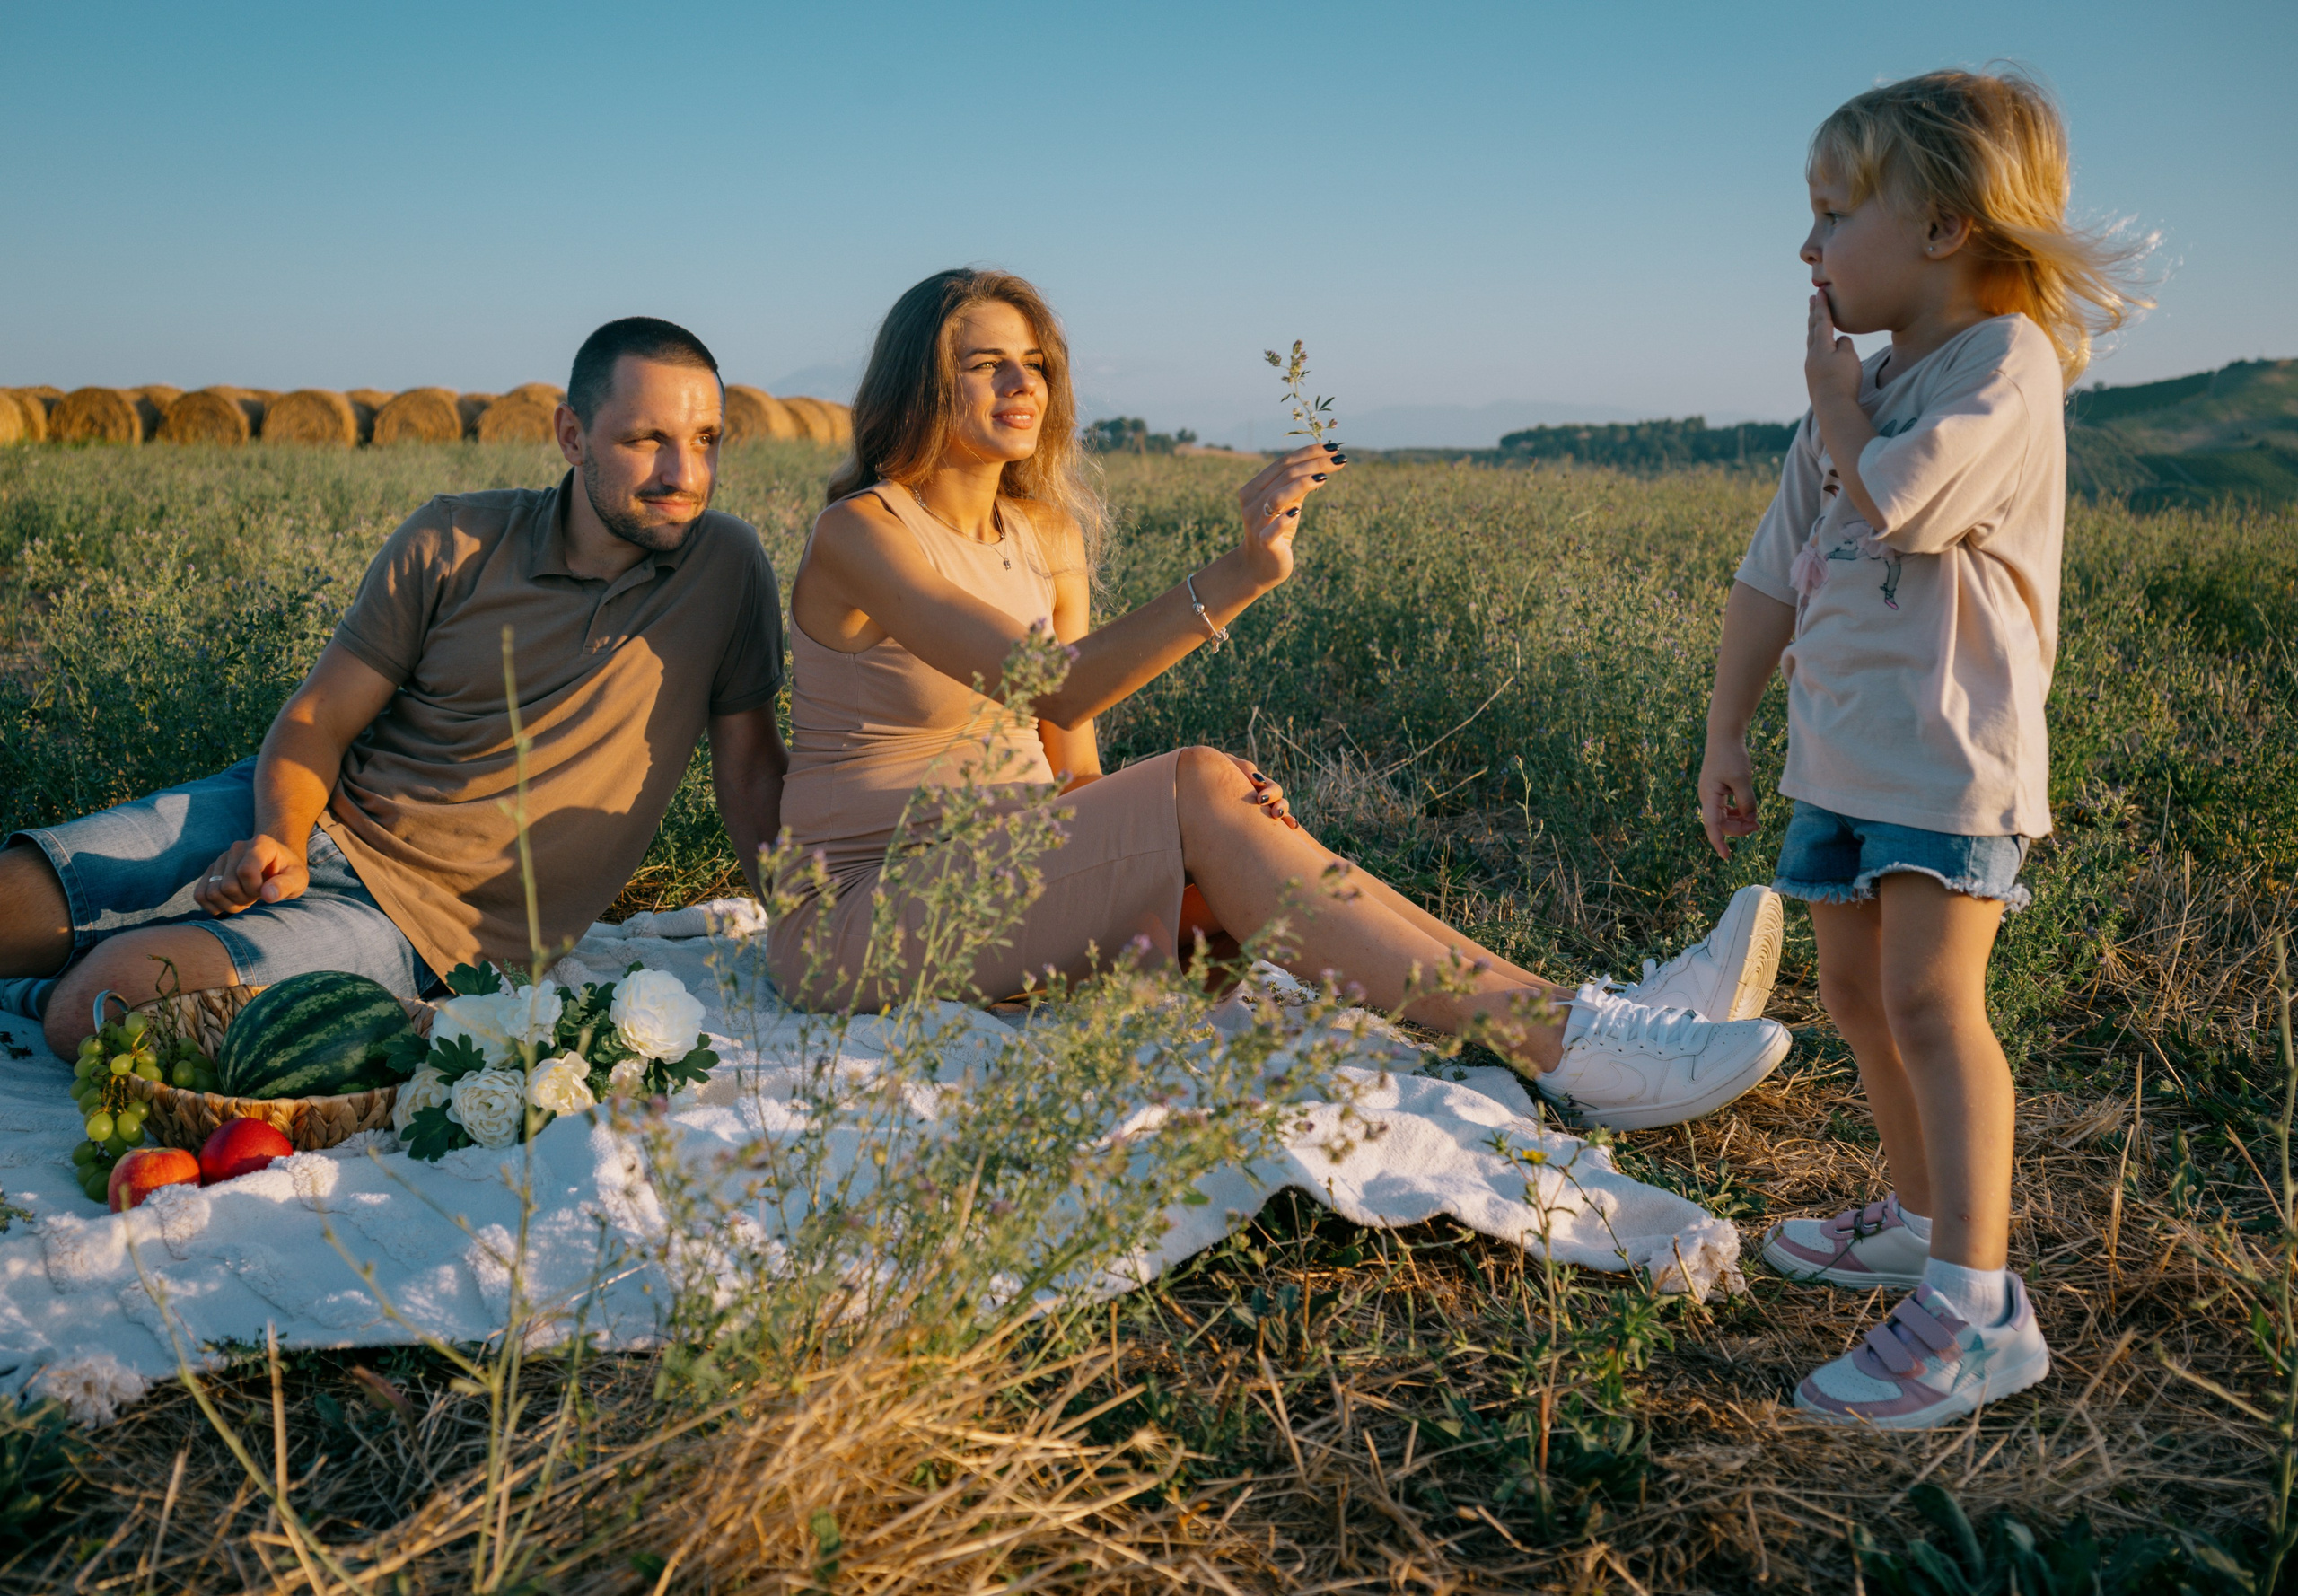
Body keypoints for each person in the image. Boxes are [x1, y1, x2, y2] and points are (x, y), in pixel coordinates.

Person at [772, 267, 1792, 1129]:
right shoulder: (865, 533)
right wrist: (1245, 572)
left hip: (997, 879)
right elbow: (1065, 680)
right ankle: (1578, 1046)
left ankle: (1589, 1016)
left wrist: (1194, 836)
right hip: (868, 912)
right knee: (1202, 789)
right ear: (919, 381)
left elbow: (1068, 761)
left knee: (1230, 811)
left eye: (1034, 362)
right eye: (983, 361)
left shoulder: (1047, 537)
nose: (1020, 381)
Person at [1698, 70, 2145, 1426]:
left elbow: (1893, 505)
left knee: (1938, 1009)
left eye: (1834, 213)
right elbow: (1770, 577)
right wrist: (1728, 727)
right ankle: (1916, 1209)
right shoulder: (1856, 386)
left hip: (1951, 763)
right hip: (1841, 759)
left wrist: (1836, 406)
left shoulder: (2004, 368)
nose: (1809, 245)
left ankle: (1975, 1302)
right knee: (1853, 990)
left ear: (1947, 224)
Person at [0, 317, 788, 1058]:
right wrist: (280, 833)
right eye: (647, 439)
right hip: (300, 815)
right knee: (11, 902)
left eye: (707, 439)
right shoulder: (455, 536)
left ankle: (48, 984)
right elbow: (318, 716)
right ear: (572, 435)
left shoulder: (726, 568)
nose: (685, 474)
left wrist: (800, 927)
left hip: (427, 926)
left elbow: (750, 768)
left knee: (103, 1009)